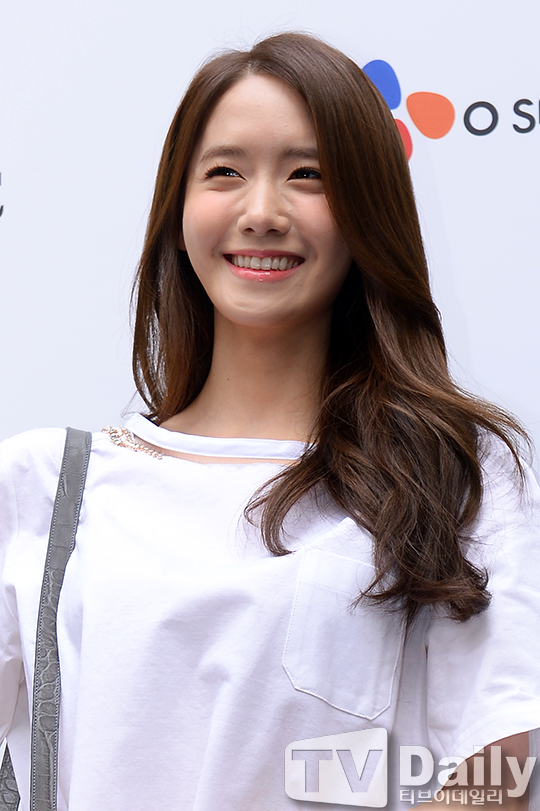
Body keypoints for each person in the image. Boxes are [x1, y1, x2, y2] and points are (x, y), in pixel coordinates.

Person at [1, 32, 540, 811]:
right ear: (177, 209)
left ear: (366, 211)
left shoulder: (452, 471)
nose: (261, 212)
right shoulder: (47, 485)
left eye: (307, 175)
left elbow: (495, 776)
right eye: (225, 172)